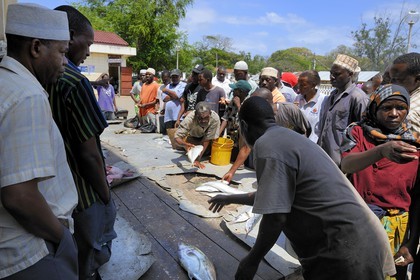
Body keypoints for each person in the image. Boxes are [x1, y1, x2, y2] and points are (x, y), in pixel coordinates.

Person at [209, 96, 396, 280]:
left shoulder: (267, 146)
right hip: (362, 237)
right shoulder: (287, 137)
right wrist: (228, 198)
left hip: (344, 248)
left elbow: (275, 216)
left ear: (244, 125)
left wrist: (252, 260)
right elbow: (275, 195)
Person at [0, 3, 78, 279]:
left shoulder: (7, 84)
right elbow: (19, 196)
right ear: (36, 48)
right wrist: (61, 238)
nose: (65, 62)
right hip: (31, 250)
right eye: (62, 52)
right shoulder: (27, 96)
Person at [48, 5, 117, 280]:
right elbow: (89, 154)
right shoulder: (75, 81)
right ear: (70, 36)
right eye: (87, 44)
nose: (88, 51)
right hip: (82, 191)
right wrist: (105, 194)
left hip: (54, 190)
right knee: (87, 258)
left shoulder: (36, 78)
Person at [341, 84, 420, 280]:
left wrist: (411, 241)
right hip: (358, 222)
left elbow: (418, 198)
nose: (394, 114)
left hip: (396, 229)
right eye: (386, 108)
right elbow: (347, 164)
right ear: (375, 109)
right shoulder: (358, 132)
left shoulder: (415, 143)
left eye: (400, 108)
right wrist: (380, 151)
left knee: (390, 275)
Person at [222, 88, 310, 182]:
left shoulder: (290, 110)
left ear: (266, 102)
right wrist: (231, 172)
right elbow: (246, 148)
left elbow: (306, 131)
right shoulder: (256, 117)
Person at [317, 54, 369, 166]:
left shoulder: (358, 97)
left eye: (337, 74)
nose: (332, 77)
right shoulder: (331, 96)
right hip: (324, 158)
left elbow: (364, 133)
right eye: (331, 73)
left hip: (342, 162)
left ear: (350, 74)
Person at [174, 102, 220, 169]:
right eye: (200, 118)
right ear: (196, 115)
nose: (203, 121)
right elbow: (177, 137)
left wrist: (198, 159)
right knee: (191, 151)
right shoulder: (189, 118)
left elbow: (207, 139)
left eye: (206, 118)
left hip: (206, 140)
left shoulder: (215, 118)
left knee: (208, 152)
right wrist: (185, 144)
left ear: (210, 114)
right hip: (193, 138)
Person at [390, 52, 420, 134]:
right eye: (391, 79)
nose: (391, 84)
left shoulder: (408, 114)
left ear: (417, 79)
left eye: (397, 80)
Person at [295, 70, 326, 143]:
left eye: (303, 85)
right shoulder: (297, 98)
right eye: (298, 84)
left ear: (313, 85)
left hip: (314, 144)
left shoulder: (323, 100)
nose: (299, 87)